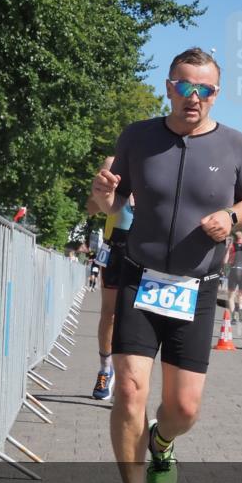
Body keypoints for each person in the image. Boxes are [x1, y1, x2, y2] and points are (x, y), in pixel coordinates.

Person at [90, 47, 242, 483]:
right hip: (140, 278)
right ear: (169, 87)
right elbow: (109, 200)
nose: (195, 97)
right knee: (129, 390)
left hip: (197, 287)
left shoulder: (236, 146)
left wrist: (230, 217)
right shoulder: (138, 137)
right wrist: (102, 197)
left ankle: (162, 442)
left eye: (205, 90)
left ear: (216, 94)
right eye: (186, 86)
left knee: (183, 407)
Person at [87, 156, 135, 401]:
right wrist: (104, 194)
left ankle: (128, 380)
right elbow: (91, 208)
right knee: (110, 314)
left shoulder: (161, 163)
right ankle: (105, 369)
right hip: (116, 245)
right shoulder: (113, 163)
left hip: (147, 248)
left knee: (137, 318)